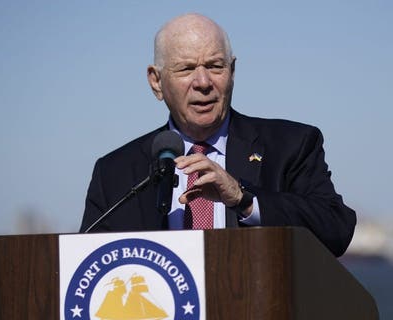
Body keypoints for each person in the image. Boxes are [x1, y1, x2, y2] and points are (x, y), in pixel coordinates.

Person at [80, 13, 356, 257]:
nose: (203, 83)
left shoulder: (291, 145)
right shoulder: (114, 172)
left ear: (232, 71)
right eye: (186, 69)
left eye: (214, 66)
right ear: (156, 81)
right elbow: (88, 265)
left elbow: (336, 229)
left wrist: (243, 198)